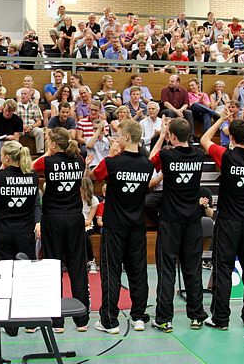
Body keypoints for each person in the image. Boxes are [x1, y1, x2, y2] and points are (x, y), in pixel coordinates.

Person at [199, 111, 244, 330]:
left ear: (232, 139)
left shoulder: (226, 156)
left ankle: (221, 319)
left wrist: (220, 119)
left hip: (228, 223)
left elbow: (204, 140)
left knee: (223, 270)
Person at [91, 119, 153, 333]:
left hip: (115, 226)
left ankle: (109, 320)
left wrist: (110, 153)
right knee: (138, 272)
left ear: (127, 137)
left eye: (118, 135)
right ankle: (139, 316)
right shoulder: (147, 165)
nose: (115, 139)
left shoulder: (113, 162)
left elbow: (94, 175)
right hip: (137, 226)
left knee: (111, 272)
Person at [148, 118, 209, 332]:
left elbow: (149, 161)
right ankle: (197, 316)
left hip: (170, 221)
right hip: (192, 221)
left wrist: (162, 136)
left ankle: (164, 319)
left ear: (172, 136)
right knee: (192, 269)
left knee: (167, 270)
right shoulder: (199, 155)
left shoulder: (167, 154)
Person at [32, 128, 89, 333]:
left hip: (53, 218)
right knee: (77, 267)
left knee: (53, 266)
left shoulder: (47, 161)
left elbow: (29, 167)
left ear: (54, 144)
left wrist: (49, 153)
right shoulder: (79, 160)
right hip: (74, 217)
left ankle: (57, 322)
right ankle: (82, 319)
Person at [0, 100, 23, 166]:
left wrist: (7, 138)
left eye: (10, 111)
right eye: (6, 110)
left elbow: (16, 139)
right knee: (0, 144)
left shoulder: (18, 120)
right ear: (3, 108)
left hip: (10, 144)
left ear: (14, 111)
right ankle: (0, 165)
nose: (7, 113)